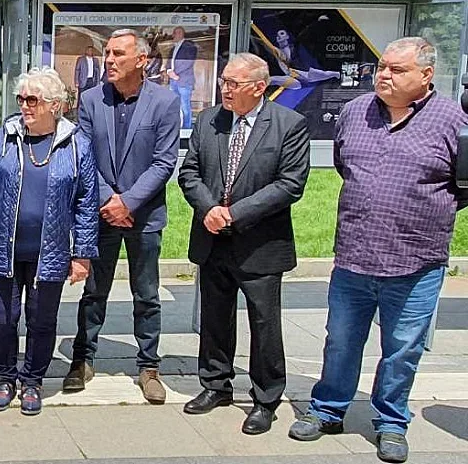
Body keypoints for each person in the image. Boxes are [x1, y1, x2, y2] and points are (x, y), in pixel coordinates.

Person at [289, 38, 467, 463]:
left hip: (415, 261)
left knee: (402, 348)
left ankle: (391, 421)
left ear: (426, 75)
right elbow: (344, 166)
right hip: (354, 256)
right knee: (341, 342)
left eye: (397, 69)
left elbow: (464, 187)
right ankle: (327, 409)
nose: (384, 75)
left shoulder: (454, 121)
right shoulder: (355, 112)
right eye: (382, 67)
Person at [177, 52, 311, 435]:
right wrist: (210, 209)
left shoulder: (288, 125)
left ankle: (266, 398)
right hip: (212, 238)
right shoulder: (208, 122)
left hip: (260, 243)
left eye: (232, 83)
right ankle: (215, 385)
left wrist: (234, 213)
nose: (225, 89)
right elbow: (190, 172)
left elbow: (289, 184)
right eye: (223, 81)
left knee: (264, 323)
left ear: (258, 86)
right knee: (215, 318)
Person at [0, 67, 99, 416]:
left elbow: (86, 202)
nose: (24, 106)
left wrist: (82, 253)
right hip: (2, 250)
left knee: (41, 321)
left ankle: (33, 381)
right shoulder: (4, 138)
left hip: (49, 253)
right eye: (21, 99)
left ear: (54, 105)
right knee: (0, 319)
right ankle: (5, 379)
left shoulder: (77, 144)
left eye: (32, 100)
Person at [67, 29, 180, 403]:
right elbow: (83, 155)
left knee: (146, 293)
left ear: (141, 60)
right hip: (100, 214)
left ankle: (148, 366)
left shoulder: (164, 102)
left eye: (118, 54)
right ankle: (83, 359)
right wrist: (108, 202)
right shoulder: (90, 99)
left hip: (143, 216)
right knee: (93, 290)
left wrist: (128, 202)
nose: (109, 60)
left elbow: (165, 161)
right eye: (108, 54)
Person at [166, 26, 198, 129]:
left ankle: (186, 129)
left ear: (180, 34)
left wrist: (175, 73)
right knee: (174, 106)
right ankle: (176, 127)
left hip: (184, 81)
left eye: (174, 33)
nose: (173, 36)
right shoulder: (174, 48)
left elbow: (188, 62)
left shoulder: (190, 47)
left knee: (185, 106)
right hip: (173, 81)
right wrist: (169, 71)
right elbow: (168, 62)